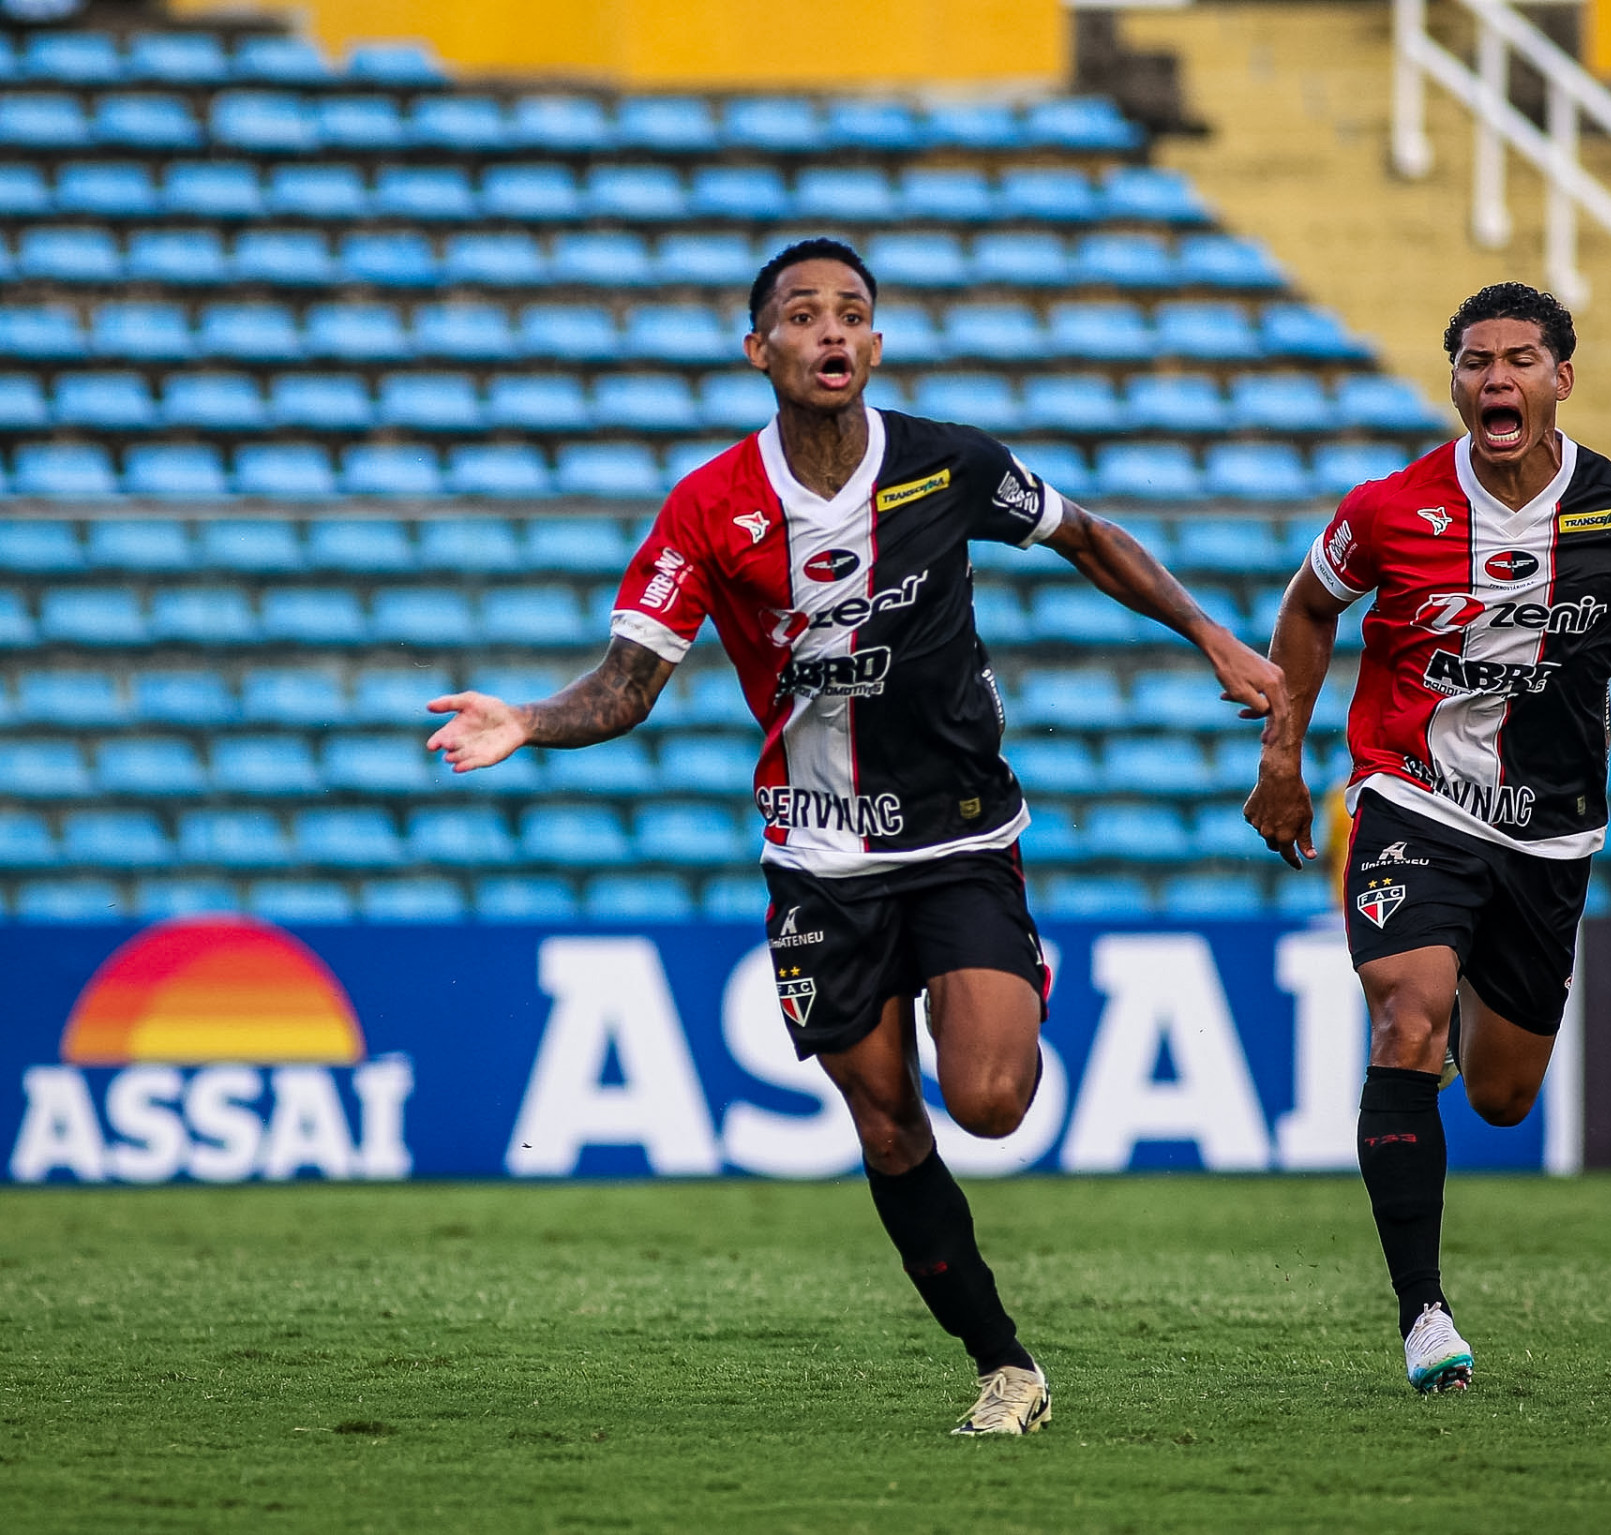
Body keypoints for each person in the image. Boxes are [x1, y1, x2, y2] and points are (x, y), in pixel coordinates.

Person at [428, 237, 1286, 1434]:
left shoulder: (948, 465)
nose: (831, 332)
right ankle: (1006, 1362)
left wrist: (1213, 635)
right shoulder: (710, 508)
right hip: (818, 856)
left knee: (988, 1101)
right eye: (802, 314)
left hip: (959, 832)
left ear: (875, 345)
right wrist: (525, 716)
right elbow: (629, 685)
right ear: (759, 348)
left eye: (852, 314)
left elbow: (1088, 533)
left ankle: (1008, 967)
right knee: (888, 1121)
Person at [1243, 282, 1611, 1394]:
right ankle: (1422, 1309)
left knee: (1503, 1094)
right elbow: (1309, 606)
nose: (1498, 380)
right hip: (1410, 795)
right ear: (1457, 382)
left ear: (1563, 378)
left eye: (1521, 359)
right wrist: (1282, 760)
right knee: (1406, 1015)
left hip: (1551, 835)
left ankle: (1462, 996)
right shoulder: (1388, 508)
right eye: (1477, 363)